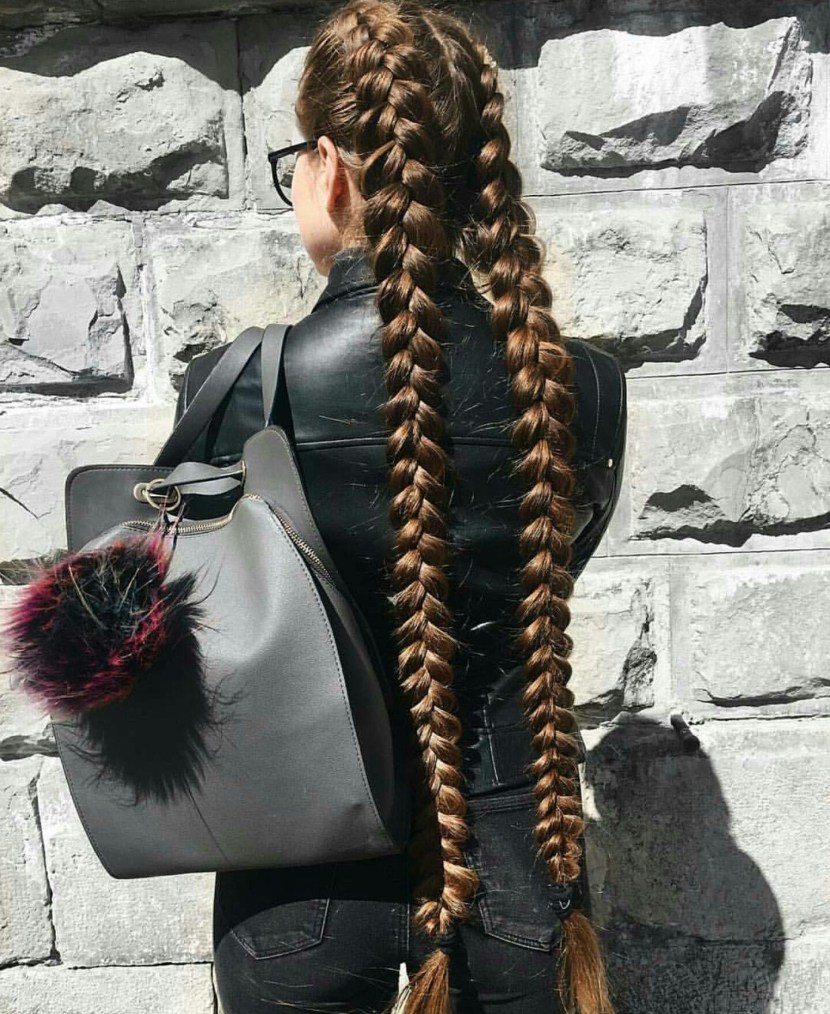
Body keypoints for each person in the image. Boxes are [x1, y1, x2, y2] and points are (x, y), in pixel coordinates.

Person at [174, 2, 627, 1011]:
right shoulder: (584, 388)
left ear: (329, 166)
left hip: (298, 886)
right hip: (520, 875)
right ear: (473, 176)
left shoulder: (236, 388)